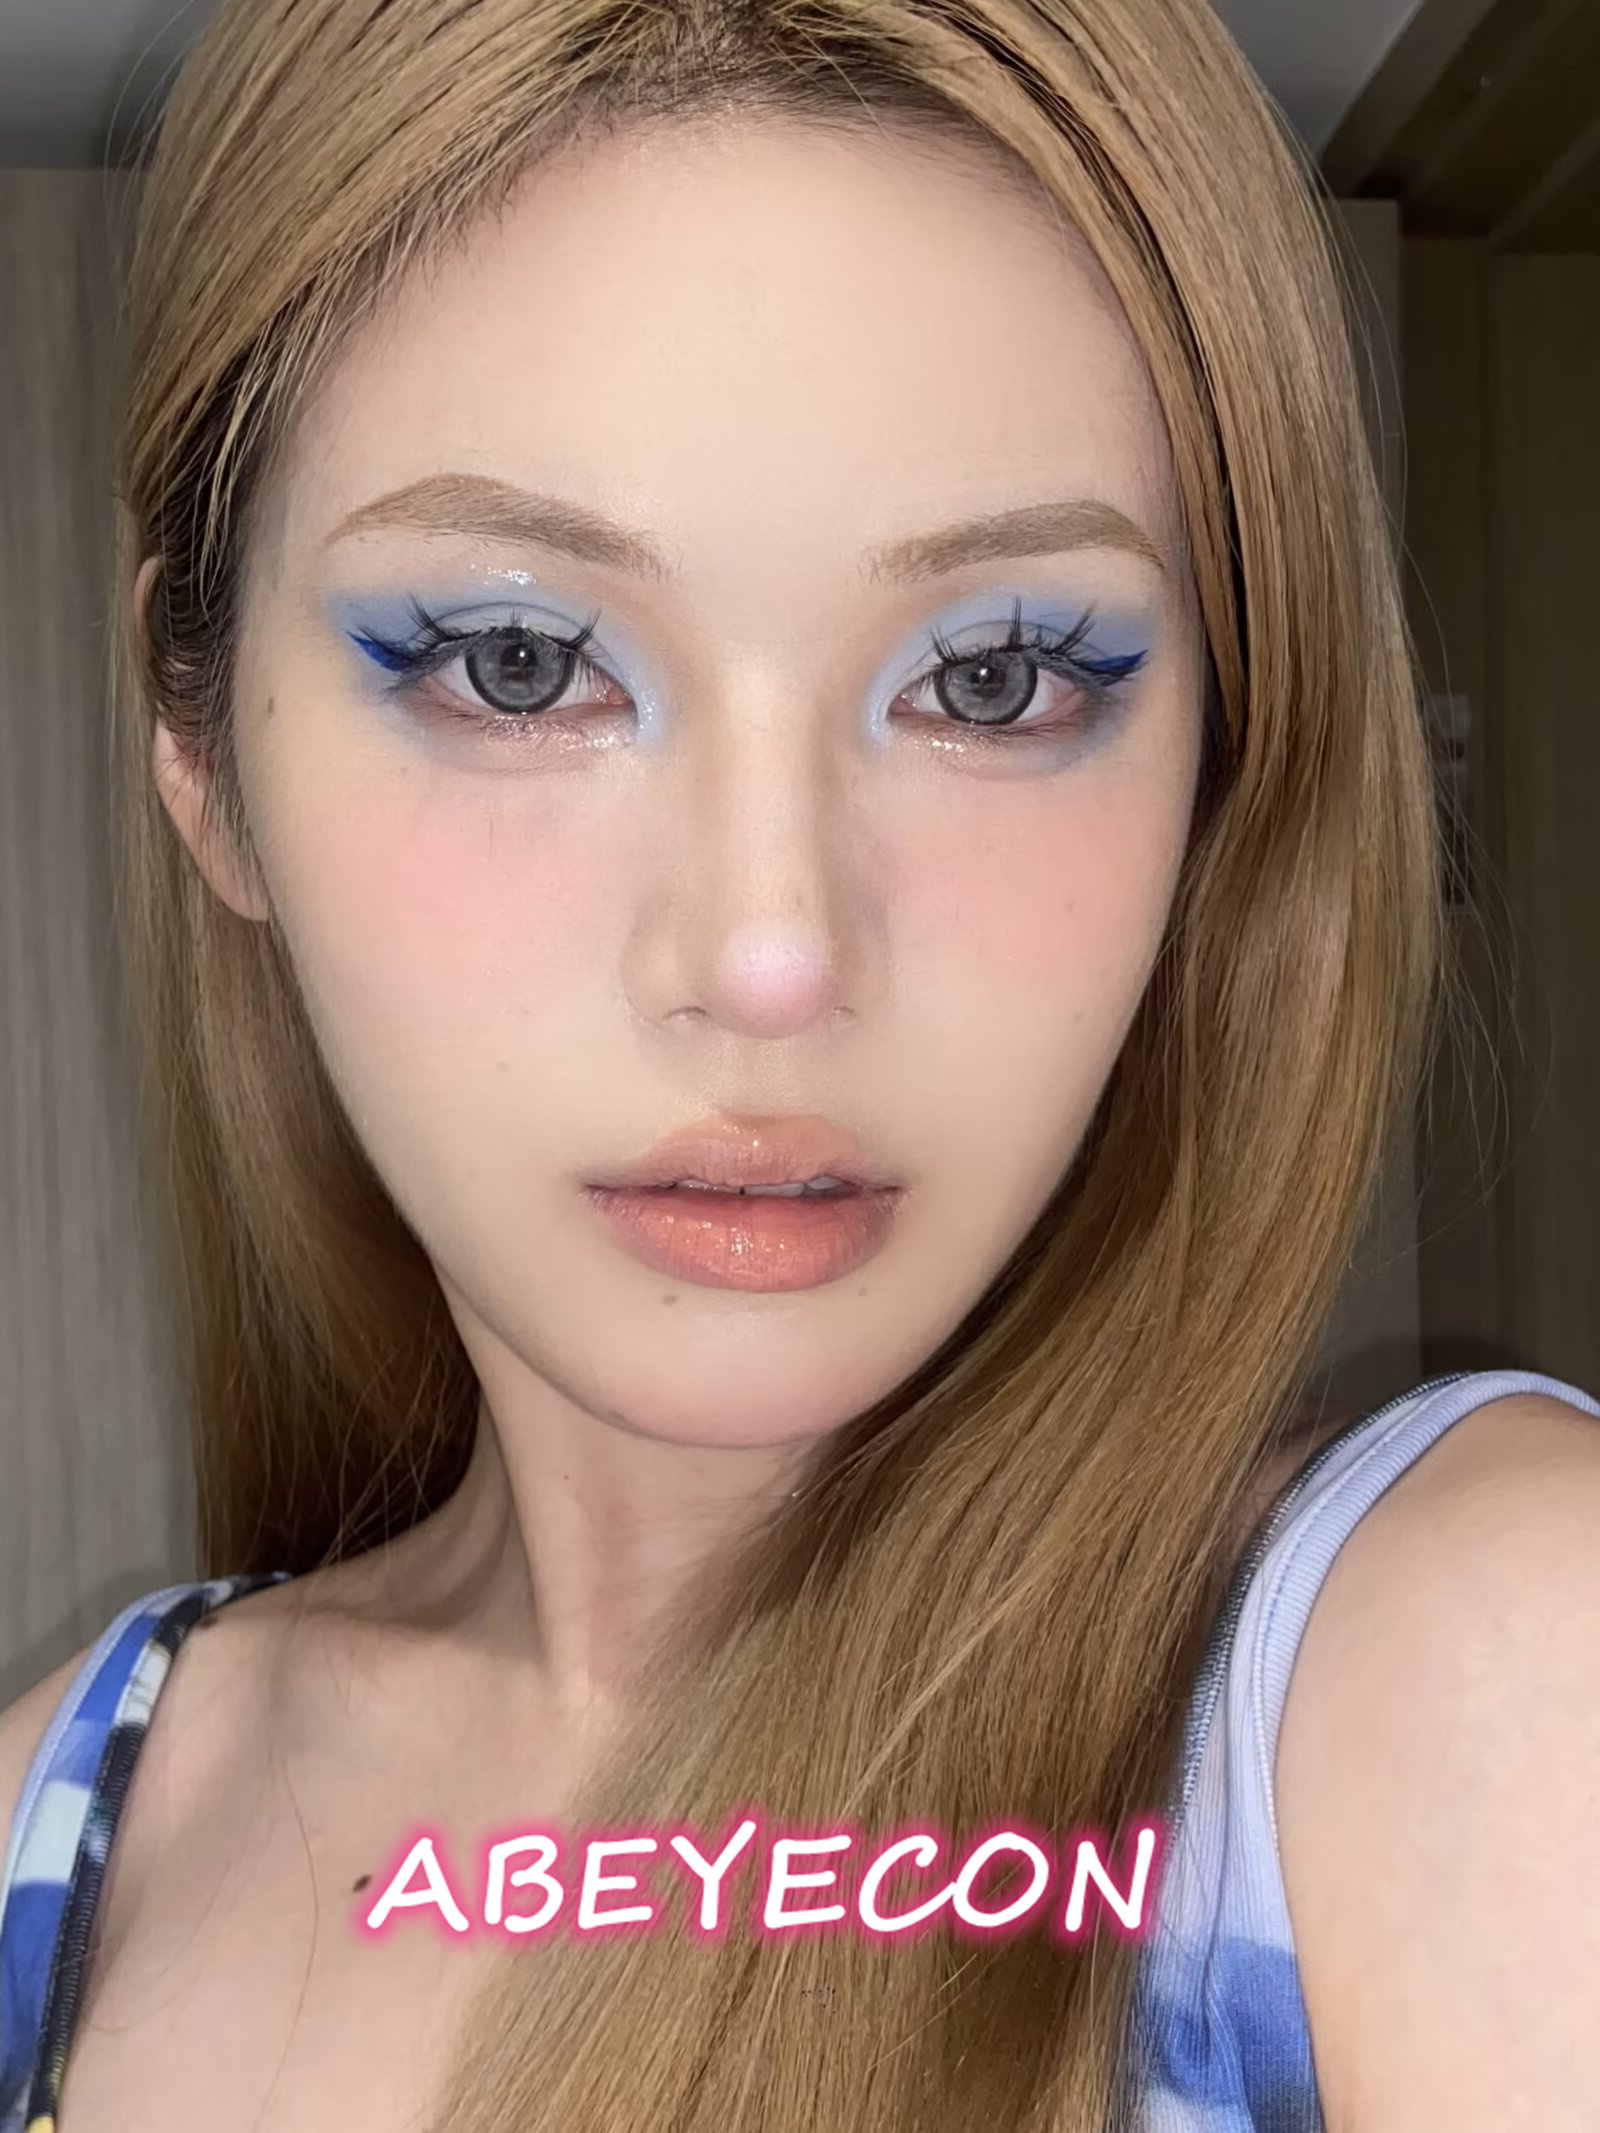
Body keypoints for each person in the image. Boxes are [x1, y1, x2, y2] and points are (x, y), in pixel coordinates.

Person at [2, 0, 1596, 2127]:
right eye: (518, 662)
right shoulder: (52, 1823)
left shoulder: (1477, 1680)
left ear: (1226, 762)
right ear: (200, 754)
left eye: (996, 675)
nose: (770, 958)